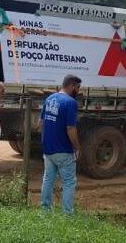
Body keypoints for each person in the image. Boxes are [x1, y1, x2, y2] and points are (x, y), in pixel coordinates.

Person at [39, 74, 81, 214]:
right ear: (72, 85)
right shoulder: (70, 102)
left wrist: (45, 141)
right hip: (63, 149)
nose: (78, 91)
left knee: (48, 179)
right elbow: (70, 128)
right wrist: (76, 147)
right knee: (69, 182)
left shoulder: (50, 99)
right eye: (78, 87)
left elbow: (41, 123)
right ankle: (67, 214)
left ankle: (45, 210)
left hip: (48, 149)